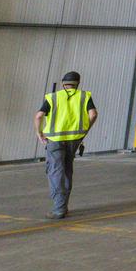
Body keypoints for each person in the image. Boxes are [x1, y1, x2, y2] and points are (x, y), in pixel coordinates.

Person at [34, 71, 96, 220]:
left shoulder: (53, 97)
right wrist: (85, 131)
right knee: (67, 169)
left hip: (55, 140)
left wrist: (39, 133)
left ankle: (58, 210)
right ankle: (64, 206)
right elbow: (93, 114)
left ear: (63, 83)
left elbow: (39, 116)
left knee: (55, 171)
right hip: (74, 139)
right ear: (78, 83)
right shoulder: (84, 96)